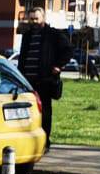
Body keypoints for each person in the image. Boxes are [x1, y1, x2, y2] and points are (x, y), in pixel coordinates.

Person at [15, 9, 70, 147]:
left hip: (44, 81)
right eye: (31, 19)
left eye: (36, 19)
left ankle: (45, 141)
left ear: (43, 18)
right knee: (29, 112)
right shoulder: (27, 36)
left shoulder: (52, 34)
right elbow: (23, 57)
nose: (34, 22)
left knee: (45, 112)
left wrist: (59, 66)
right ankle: (31, 140)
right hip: (28, 82)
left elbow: (68, 50)